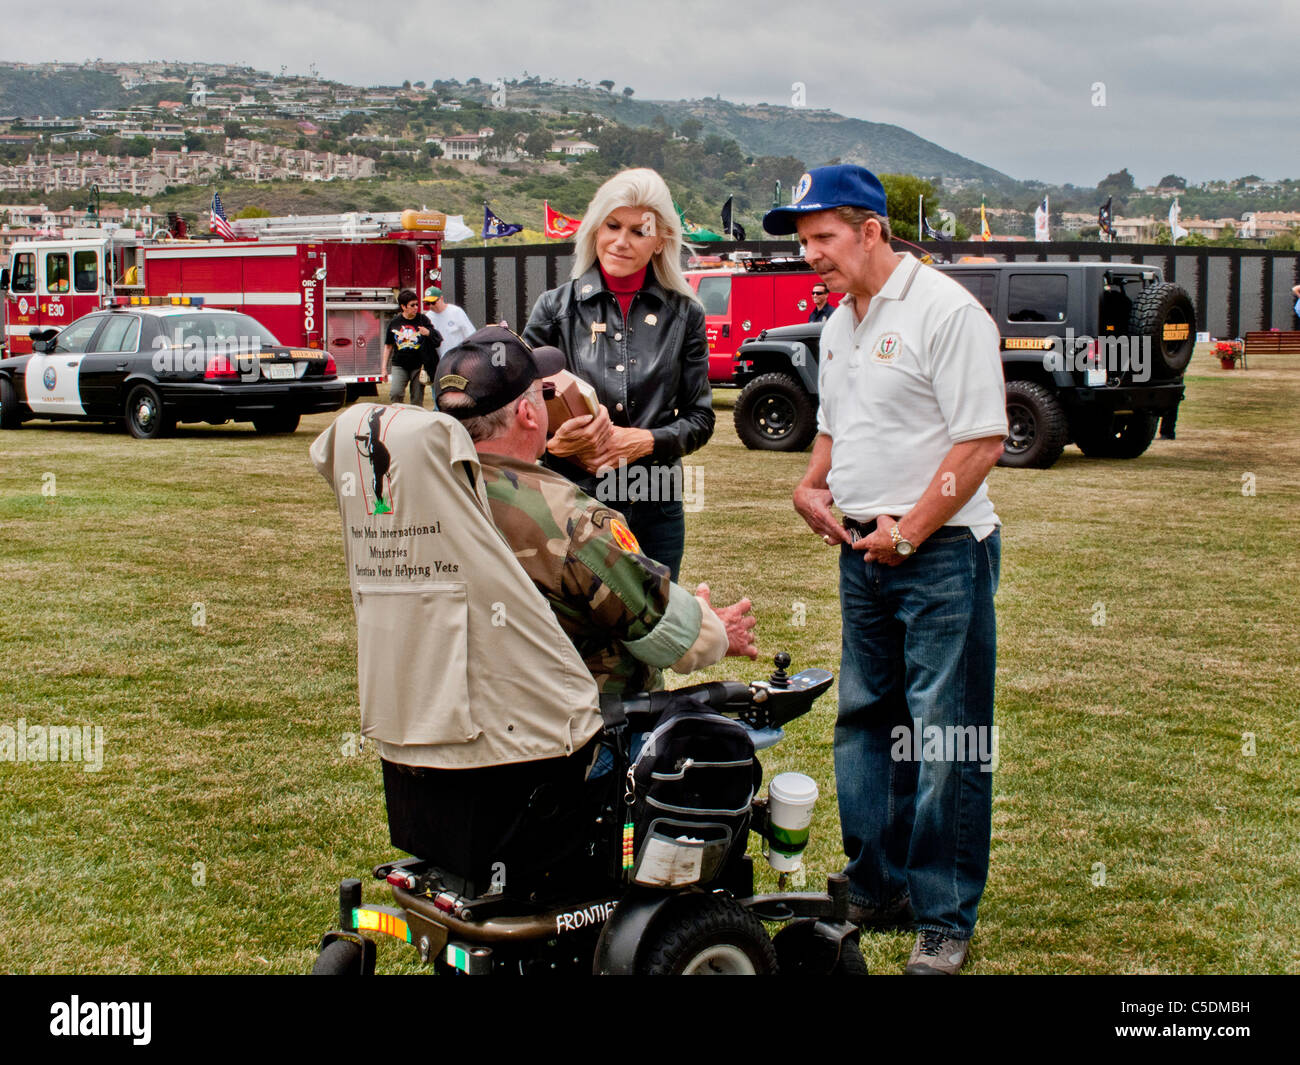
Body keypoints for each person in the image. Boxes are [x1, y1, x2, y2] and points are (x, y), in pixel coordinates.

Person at [765, 165, 1008, 976]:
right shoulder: (839, 322)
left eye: (823, 238)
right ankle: (879, 884)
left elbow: (979, 440)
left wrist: (912, 529)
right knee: (866, 721)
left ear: (873, 230)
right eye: (804, 243)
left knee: (947, 734)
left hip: (941, 553)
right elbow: (837, 424)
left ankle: (943, 914)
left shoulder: (947, 311)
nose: (812, 257)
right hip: (862, 552)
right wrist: (812, 482)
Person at [436, 326, 756, 694]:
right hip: (569, 728)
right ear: (528, 413)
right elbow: (671, 637)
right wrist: (715, 630)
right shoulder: (573, 520)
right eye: (547, 393)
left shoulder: (414, 495)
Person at [522, 168, 714, 582]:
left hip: (655, 503)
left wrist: (644, 441)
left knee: (655, 632)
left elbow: (701, 420)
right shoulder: (554, 308)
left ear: (661, 239)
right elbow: (518, 410)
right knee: (573, 634)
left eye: (639, 231)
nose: (621, 241)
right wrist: (555, 444)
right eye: (612, 225)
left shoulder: (685, 314)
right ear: (595, 228)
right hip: (569, 499)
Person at [382, 288, 441, 406]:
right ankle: (397, 418)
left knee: (417, 400)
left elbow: (437, 339)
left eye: (417, 304)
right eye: (412, 305)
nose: (416, 307)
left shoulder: (423, 319)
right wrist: (383, 369)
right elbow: (388, 346)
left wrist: (428, 332)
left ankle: (416, 422)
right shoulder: (395, 322)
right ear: (403, 307)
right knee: (395, 393)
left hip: (418, 366)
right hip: (399, 365)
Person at [422, 285, 476, 362]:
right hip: (440, 362)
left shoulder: (456, 312)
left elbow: (470, 334)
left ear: (441, 298)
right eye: (427, 303)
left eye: (433, 302)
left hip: (459, 358)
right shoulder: (428, 317)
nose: (431, 306)